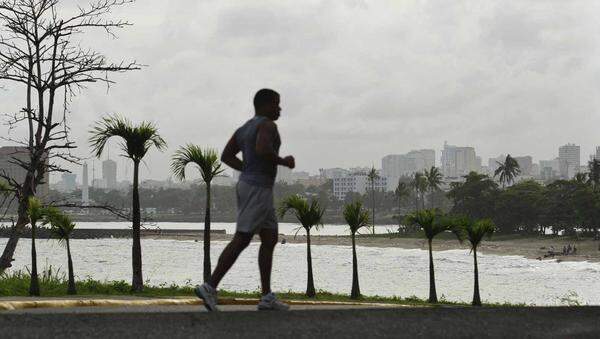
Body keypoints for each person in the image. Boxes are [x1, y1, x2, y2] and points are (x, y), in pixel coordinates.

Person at [194, 89, 295, 312]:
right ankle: (210, 286)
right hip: (257, 188)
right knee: (242, 238)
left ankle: (266, 296)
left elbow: (226, 156)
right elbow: (262, 148)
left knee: (269, 238)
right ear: (265, 105)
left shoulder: (244, 128)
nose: (279, 108)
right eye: (276, 104)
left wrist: (246, 168)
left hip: (255, 187)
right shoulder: (268, 125)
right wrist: (284, 161)